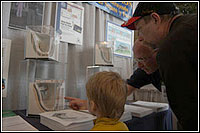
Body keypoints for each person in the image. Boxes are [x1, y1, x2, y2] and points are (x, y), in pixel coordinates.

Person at [121, 2, 198, 131]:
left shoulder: (172, 46)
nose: (141, 37)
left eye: (140, 29)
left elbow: (190, 112)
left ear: (155, 19)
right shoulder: (191, 24)